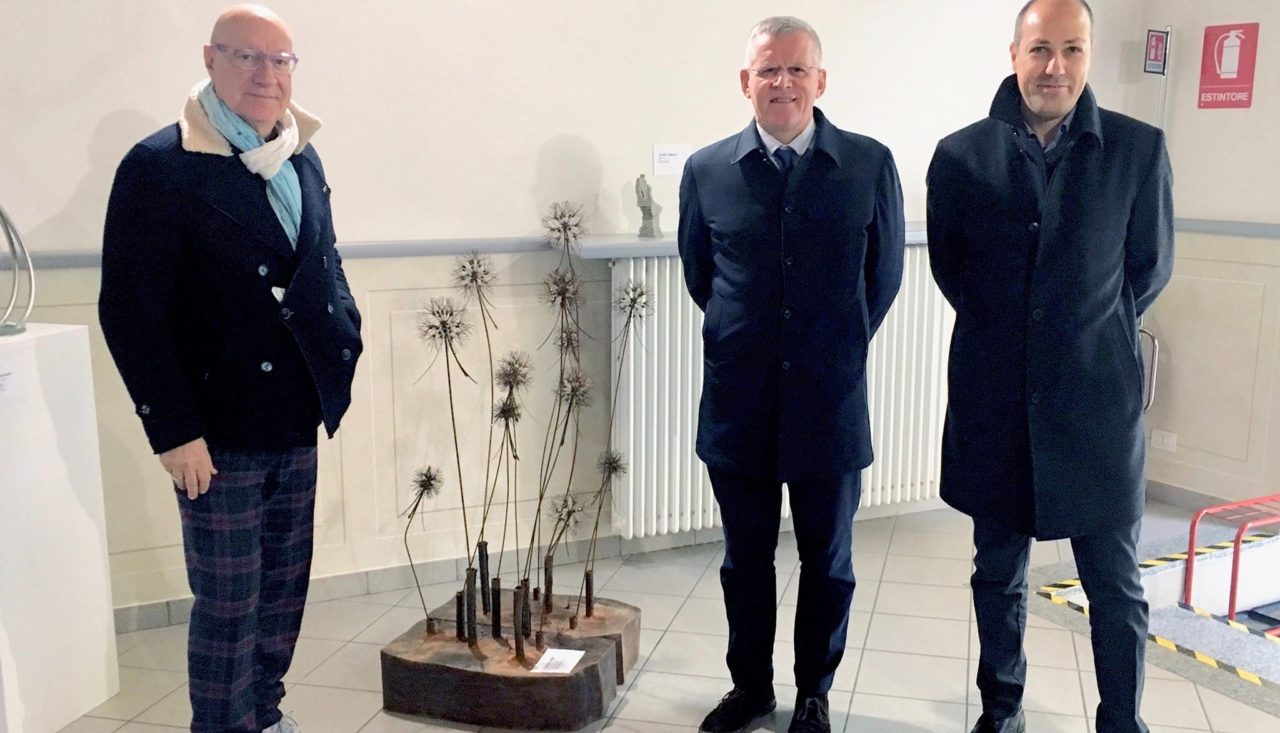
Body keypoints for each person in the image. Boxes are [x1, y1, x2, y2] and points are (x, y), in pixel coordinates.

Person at [99, 5, 362, 732]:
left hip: (294, 416)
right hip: (216, 432)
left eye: (280, 60)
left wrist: (346, 329)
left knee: (281, 592)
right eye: (247, 57)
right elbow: (129, 311)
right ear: (210, 59)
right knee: (228, 602)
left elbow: (323, 263)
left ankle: (265, 715)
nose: (265, 75)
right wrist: (174, 432)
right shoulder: (160, 165)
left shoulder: (301, 156)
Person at [925, 1, 1173, 731]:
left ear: (1089, 56)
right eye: (1039, 49)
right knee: (997, 573)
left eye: (1072, 49)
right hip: (995, 403)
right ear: (1014, 55)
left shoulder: (1138, 150)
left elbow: (1148, 269)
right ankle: (1002, 709)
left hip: (1096, 408)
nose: (1054, 66)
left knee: (1115, 585)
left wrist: (1074, 330)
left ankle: (1121, 720)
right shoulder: (960, 156)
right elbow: (953, 271)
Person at [678, 16, 904, 733]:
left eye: (797, 69)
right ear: (746, 82)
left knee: (827, 564)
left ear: (821, 80)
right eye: (769, 70)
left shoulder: (868, 164)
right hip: (739, 404)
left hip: (828, 404)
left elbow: (884, 277)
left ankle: (814, 693)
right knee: (744, 563)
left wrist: (831, 345)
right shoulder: (707, 171)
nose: (783, 82)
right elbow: (702, 275)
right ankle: (751, 689)